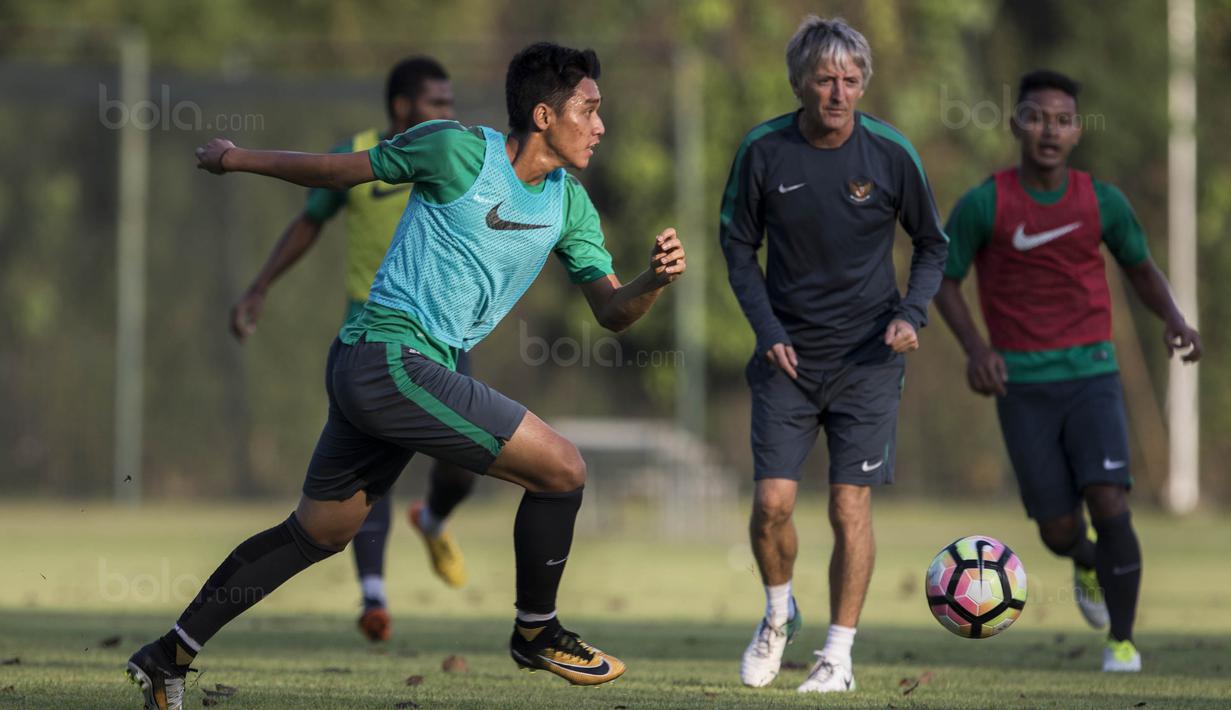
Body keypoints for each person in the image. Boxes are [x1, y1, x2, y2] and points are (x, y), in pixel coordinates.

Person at [126, 42, 687, 709]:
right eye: (589, 110)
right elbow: (340, 172)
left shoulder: (569, 205)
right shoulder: (455, 152)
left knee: (320, 532)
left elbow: (611, 311)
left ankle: (168, 656)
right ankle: (536, 632)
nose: (600, 125)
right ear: (543, 114)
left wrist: (652, 280)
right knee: (562, 469)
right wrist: (237, 157)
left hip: (385, 368)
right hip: (387, 359)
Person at [933, 69, 1201, 673]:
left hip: (1092, 377)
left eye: (1061, 119)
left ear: (1078, 131)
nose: (1048, 130)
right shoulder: (986, 203)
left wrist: (1174, 318)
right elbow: (942, 282)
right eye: (1035, 117)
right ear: (1015, 125)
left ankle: (1123, 643)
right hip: (1022, 387)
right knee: (1058, 529)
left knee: (1109, 501)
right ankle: (1083, 560)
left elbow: (1139, 267)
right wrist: (977, 349)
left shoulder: (1101, 201)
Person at [720, 16, 947, 694]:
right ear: (798, 83)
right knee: (772, 505)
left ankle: (837, 657)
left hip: (867, 363)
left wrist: (911, 314)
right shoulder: (762, 150)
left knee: (849, 508)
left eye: (850, 80)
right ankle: (776, 615)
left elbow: (932, 244)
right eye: (824, 79)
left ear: (862, 84)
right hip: (786, 360)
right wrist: (766, 329)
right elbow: (736, 246)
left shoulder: (890, 153)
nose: (837, 92)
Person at [228, 56, 475, 644]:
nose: (448, 113)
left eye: (449, 102)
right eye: (436, 104)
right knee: (375, 467)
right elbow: (310, 220)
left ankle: (434, 518)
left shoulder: (453, 156)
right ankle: (374, 594)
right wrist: (261, 286)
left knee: (464, 465)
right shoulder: (361, 155)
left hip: (444, 333)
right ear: (400, 108)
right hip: (374, 336)